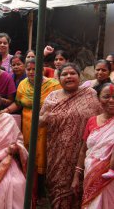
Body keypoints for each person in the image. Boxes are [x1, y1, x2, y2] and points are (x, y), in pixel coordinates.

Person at [39, 63, 102, 209]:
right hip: (58, 155)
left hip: (84, 152)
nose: (68, 77)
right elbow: (39, 123)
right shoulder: (52, 97)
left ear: (79, 76)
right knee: (59, 192)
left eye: (72, 73)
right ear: (59, 78)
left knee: (81, 190)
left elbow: (100, 119)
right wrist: (45, 118)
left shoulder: (90, 94)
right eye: (64, 74)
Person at [3, 59, 61, 206]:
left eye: (34, 69)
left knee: (43, 156)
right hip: (27, 125)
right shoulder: (23, 84)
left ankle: (42, 191)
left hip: (46, 126)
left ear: (42, 69)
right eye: (28, 69)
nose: (31, 72)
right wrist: (4, 111)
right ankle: (32, 191)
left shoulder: (53, 85)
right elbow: (18, 103)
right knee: (30, 155)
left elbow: (60, 106)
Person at [71, 83, 114, 209]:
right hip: (91, 175)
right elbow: (83, 151)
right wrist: (76, 177)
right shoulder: (92, 121)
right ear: (99, 98)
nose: (111, 100)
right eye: (106, 96)